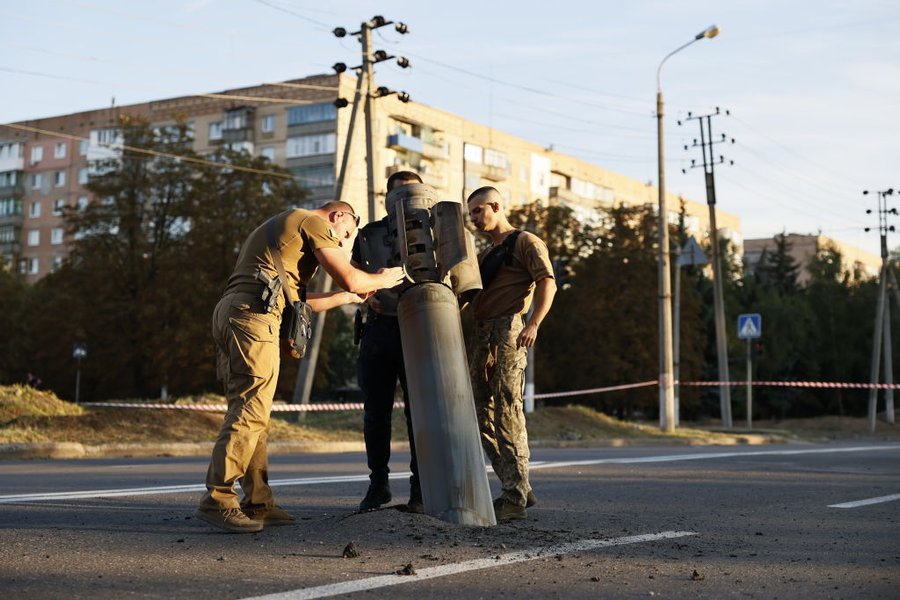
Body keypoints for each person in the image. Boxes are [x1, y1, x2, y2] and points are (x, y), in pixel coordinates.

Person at [196, 200, 405, 533]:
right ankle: (219, 498)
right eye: (345, 235)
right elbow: (352, 279)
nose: (341, 243)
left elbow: (302, 303)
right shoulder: (313, 221)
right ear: (339, 216)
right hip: (253, 316)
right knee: (250, 411)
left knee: (255, 414)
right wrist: (386, 277)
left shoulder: (284, 228)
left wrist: (349, 299)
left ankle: (259, 501)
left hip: (238, 312)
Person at [465, 186, 557, 521]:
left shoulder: (525, 241)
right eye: (470, 213)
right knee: (478, 413)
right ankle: (517, 484)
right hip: (482, 333)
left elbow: (548, 282)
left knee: (507, 410)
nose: (474, 218)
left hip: (509, 330)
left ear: (496, 206)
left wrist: (533, 323)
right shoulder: (487, 254)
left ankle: (514, 497)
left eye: (478, 210)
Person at [351, 171, 424, 513]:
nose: (400, 202)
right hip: (379, 330)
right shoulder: (369, 233)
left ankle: (420, 489)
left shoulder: (433, 230)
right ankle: (378, 485)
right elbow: (349, 275)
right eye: (394, 195)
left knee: (420, 414)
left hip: (420, 331)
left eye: (407, 194)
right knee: (376, 414)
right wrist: (365, 298)